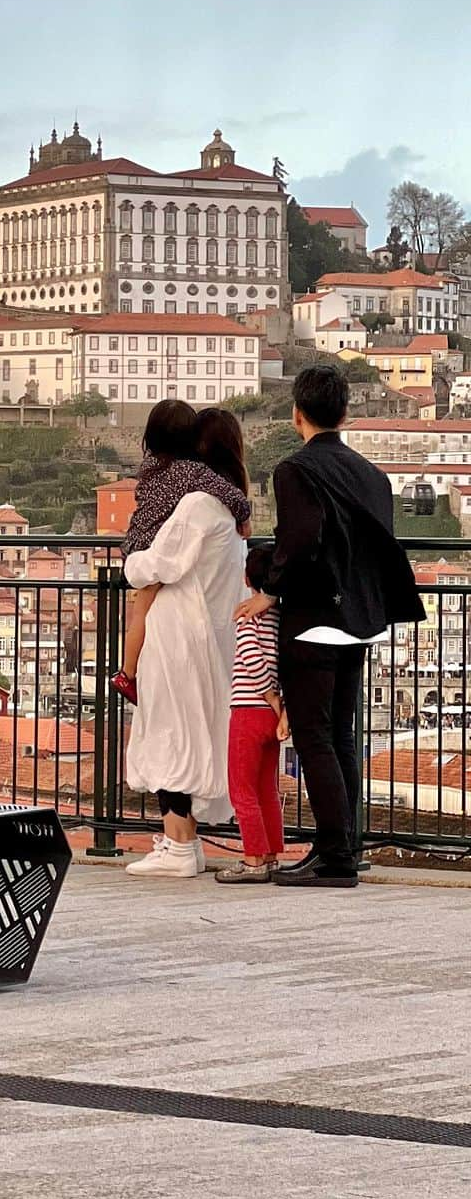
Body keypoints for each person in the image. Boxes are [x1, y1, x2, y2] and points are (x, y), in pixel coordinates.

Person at [236, 363, 425, 888]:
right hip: (361, 618)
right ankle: (345, 847)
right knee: (340, 733)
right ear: (344, 413)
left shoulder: (295, 470)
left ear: (297, 414)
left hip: (315, 617)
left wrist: (269, 586)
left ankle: (333, 854)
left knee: (313, 735)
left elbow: (303, 541)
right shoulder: (373, 475)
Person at [123, 407, 249, 879]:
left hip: (177, 634)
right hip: (213, 636)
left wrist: (131, 562)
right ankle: (186, 843)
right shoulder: (233, 512)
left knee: (169, 733)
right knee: (194, 734)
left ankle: (177, 845)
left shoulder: (196, 507)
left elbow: (154, 565)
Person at [112, 400, 251, 706]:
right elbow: (233, 495)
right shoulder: (194, 476)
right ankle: (128, 672)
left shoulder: (149, 468)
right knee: (145, 609)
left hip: (138, 542)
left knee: (140, 612)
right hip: (157, 548)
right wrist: (244, 514)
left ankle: (127, 671)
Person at [215, 543, 289, 884]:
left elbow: (250, 657)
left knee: (241, 788)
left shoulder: (249, 614)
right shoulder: (280, 617)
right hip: (271, 718)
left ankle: (253, 858)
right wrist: (279, 704)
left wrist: (270, 696)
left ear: (247, 578)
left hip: (248, 708)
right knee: (266, 788)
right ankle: (272, 853)